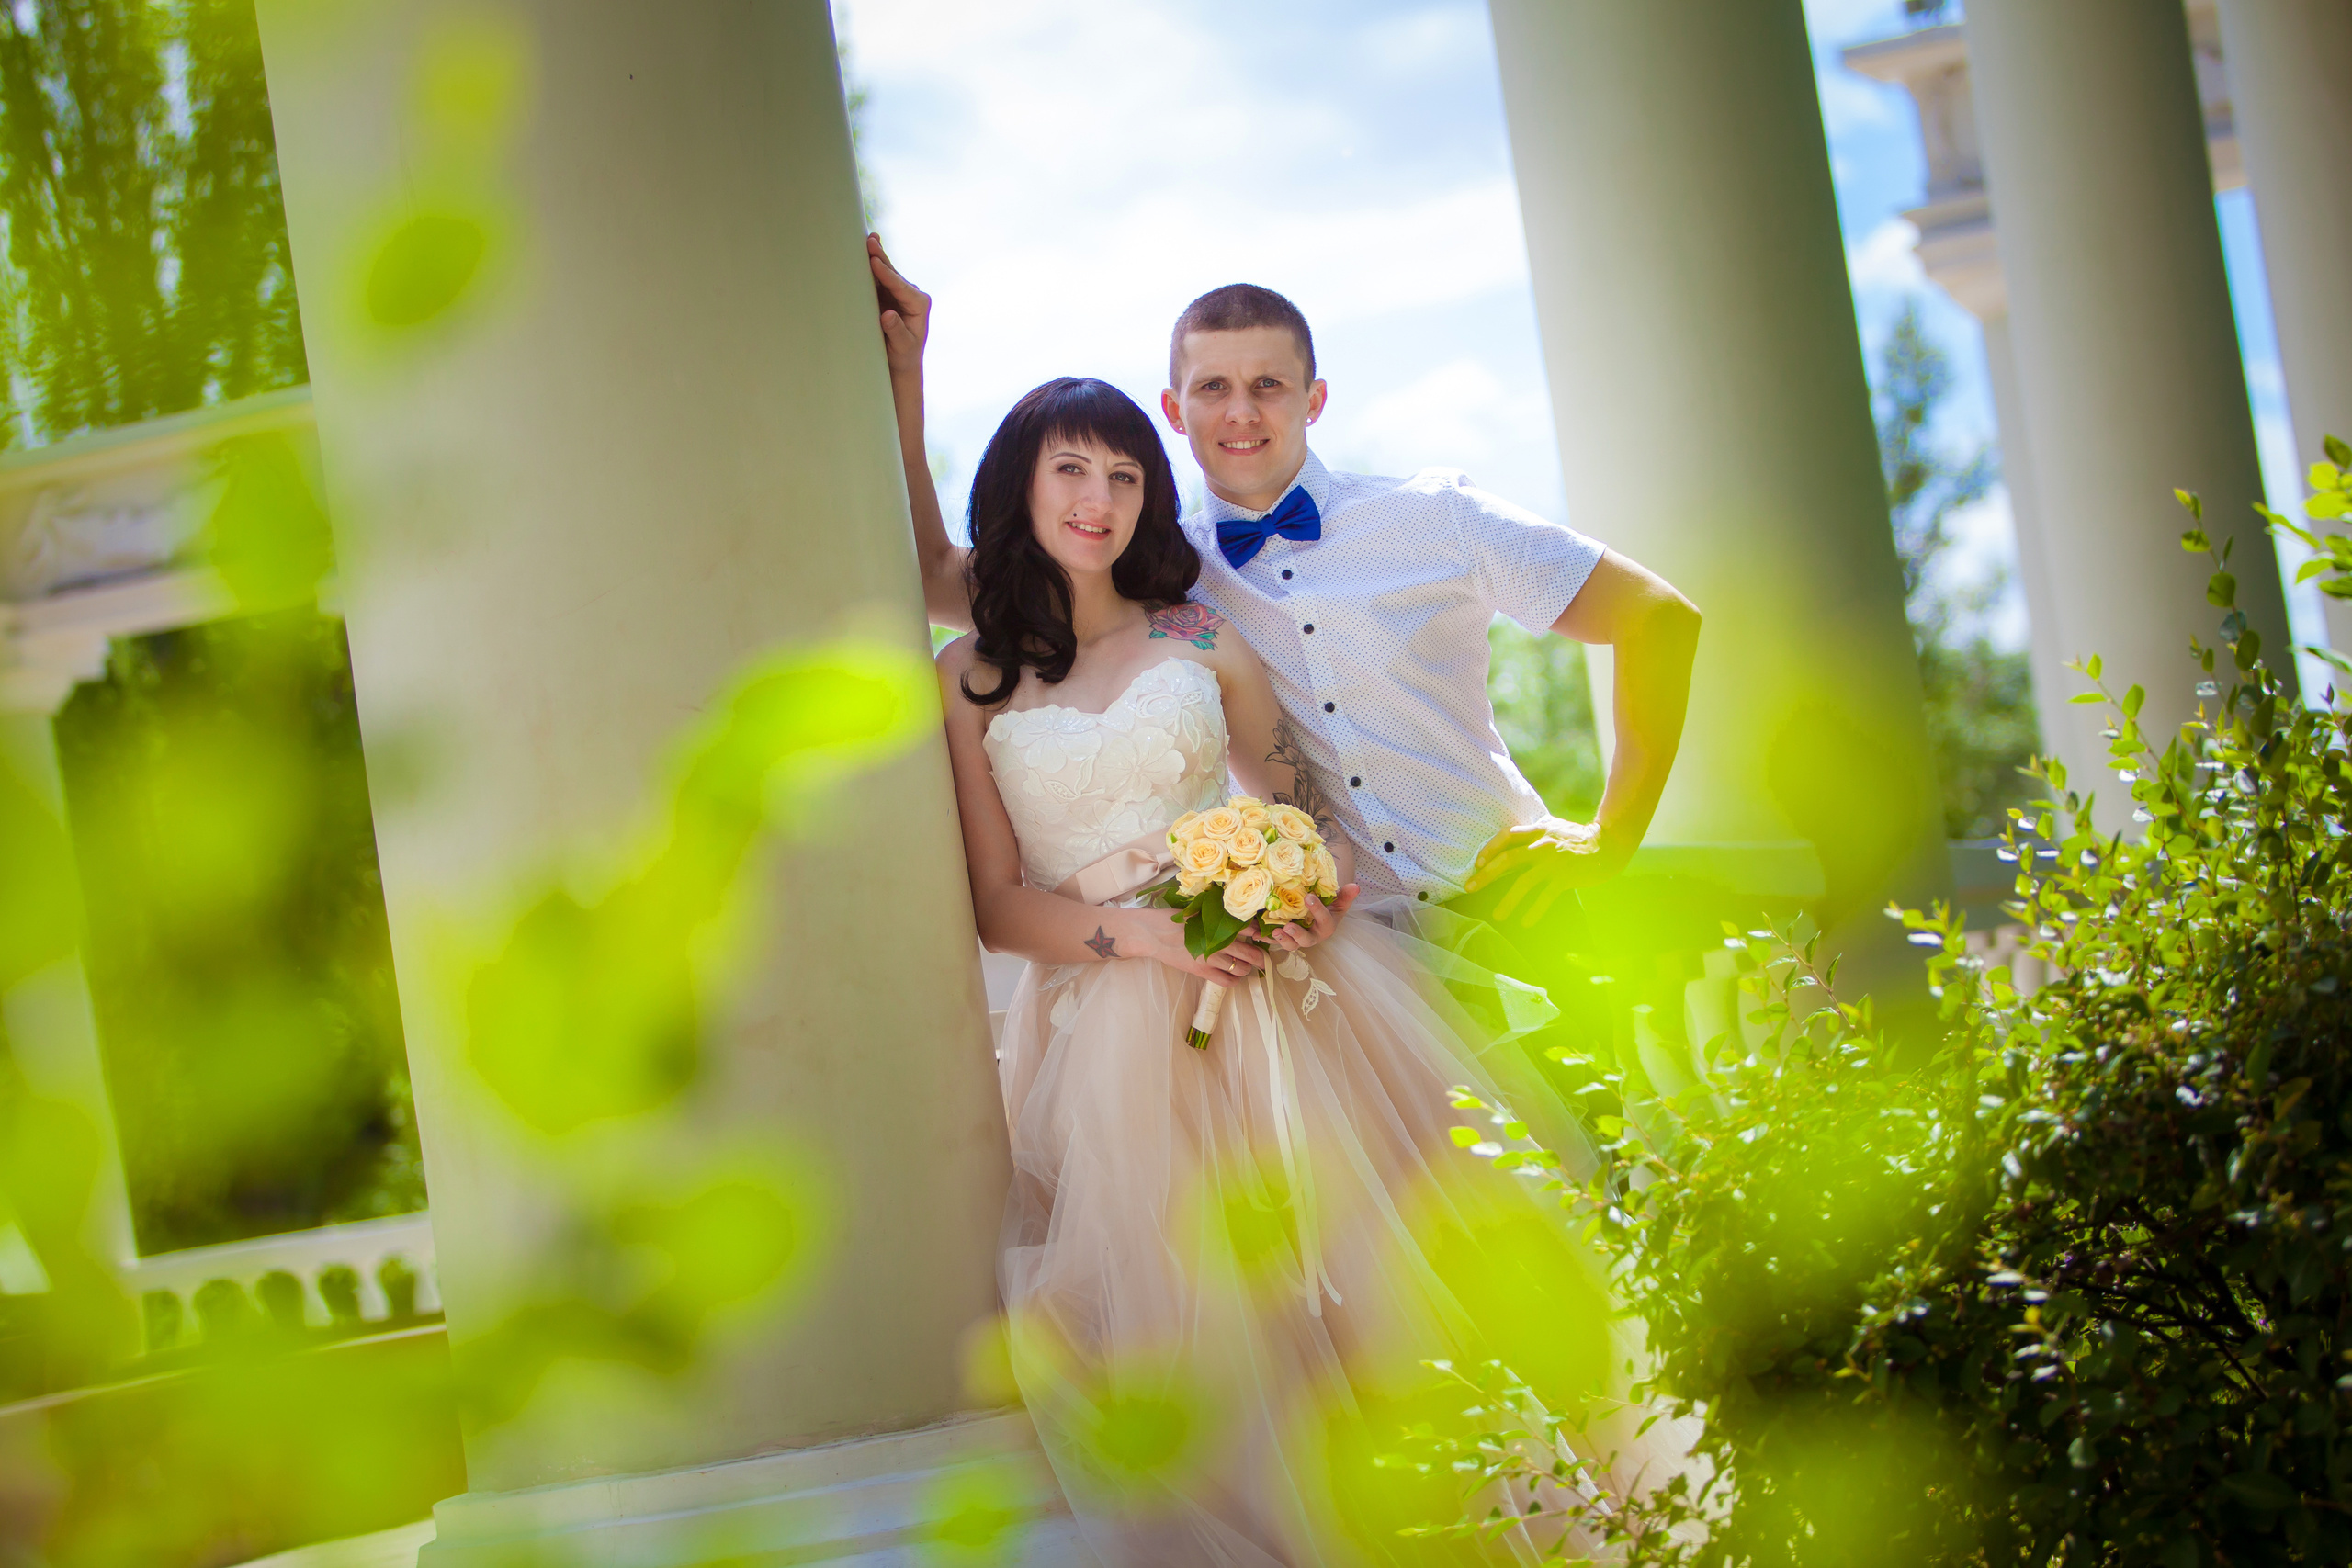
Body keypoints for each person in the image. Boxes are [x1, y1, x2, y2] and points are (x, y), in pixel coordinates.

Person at [874, 250, 1678, 1562]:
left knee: (1409, 1284)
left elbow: (1293, 792)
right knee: (1208, 1321)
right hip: (1124, 1027)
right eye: (1072, 470)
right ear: (1028, 483)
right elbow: (996, 896)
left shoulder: (1200, 623)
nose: (1101, 496)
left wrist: (1303, 884)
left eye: (1123, 474)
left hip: (1314, 992)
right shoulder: (975, 668)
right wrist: (907, 375)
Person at [873, 241, 1699, 1075]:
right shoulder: (1146, 572)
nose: (1241, 411)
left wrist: (1611, 836)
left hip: (1517, 906)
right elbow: (941, 575)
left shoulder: (1435, 516)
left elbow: (1657, 618)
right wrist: (904, 373)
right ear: (1174, 406)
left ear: (1315, 398)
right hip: (1347, 959)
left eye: (1268, 384)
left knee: (1586, 1178)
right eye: (1213, 388)